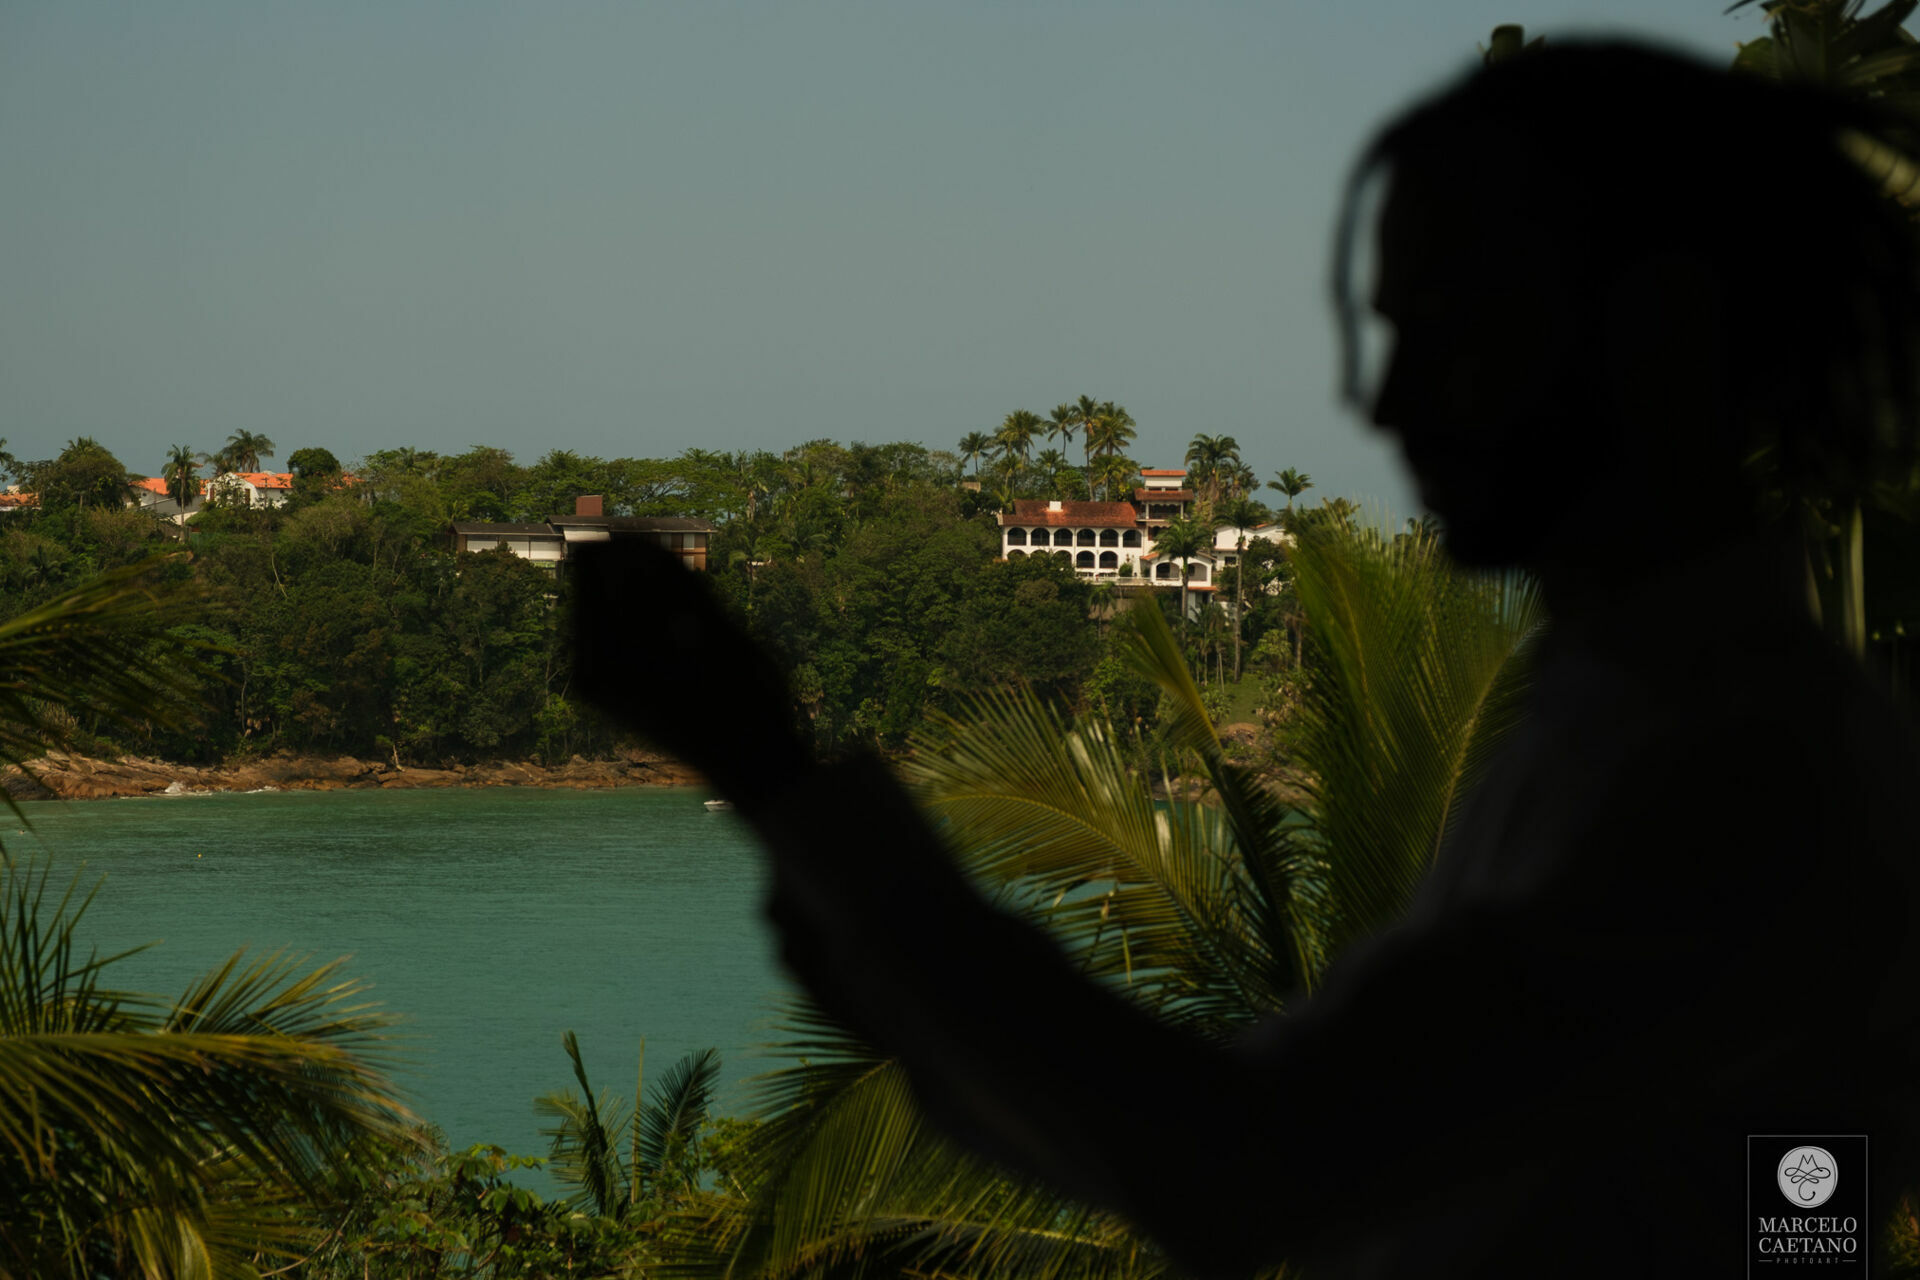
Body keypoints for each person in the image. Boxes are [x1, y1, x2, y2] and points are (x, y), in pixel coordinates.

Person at [572, 40, 1920, 1278]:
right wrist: (887, 961)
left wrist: (779, 781)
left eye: (1447, 329)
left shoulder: (1736, 773)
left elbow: (1250, 1163)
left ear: (1657, 327)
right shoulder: (1636, 717)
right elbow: (1209, 1161)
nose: (1387, 401)